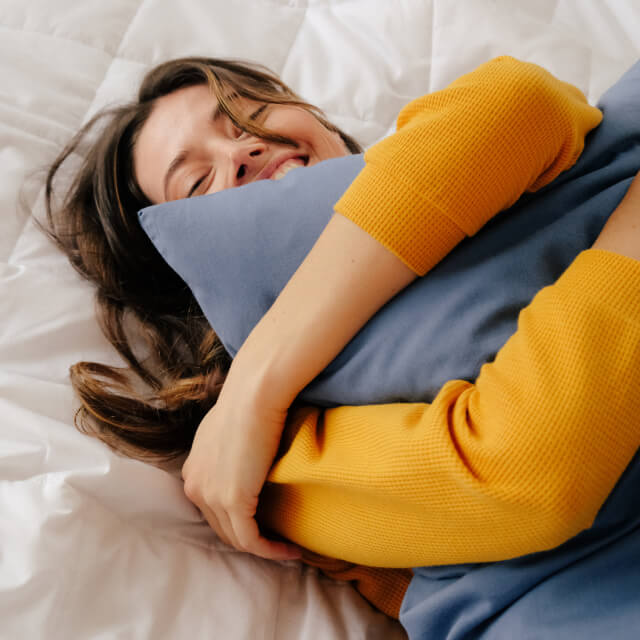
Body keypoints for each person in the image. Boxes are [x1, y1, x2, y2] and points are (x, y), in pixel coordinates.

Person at [44, 55, 640, 618]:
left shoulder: (446, 143)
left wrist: (260, 381)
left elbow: (519, 100)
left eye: (248, 111)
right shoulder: (257, 457)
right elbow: (526, 472)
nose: (244, 148)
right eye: (198, 182)